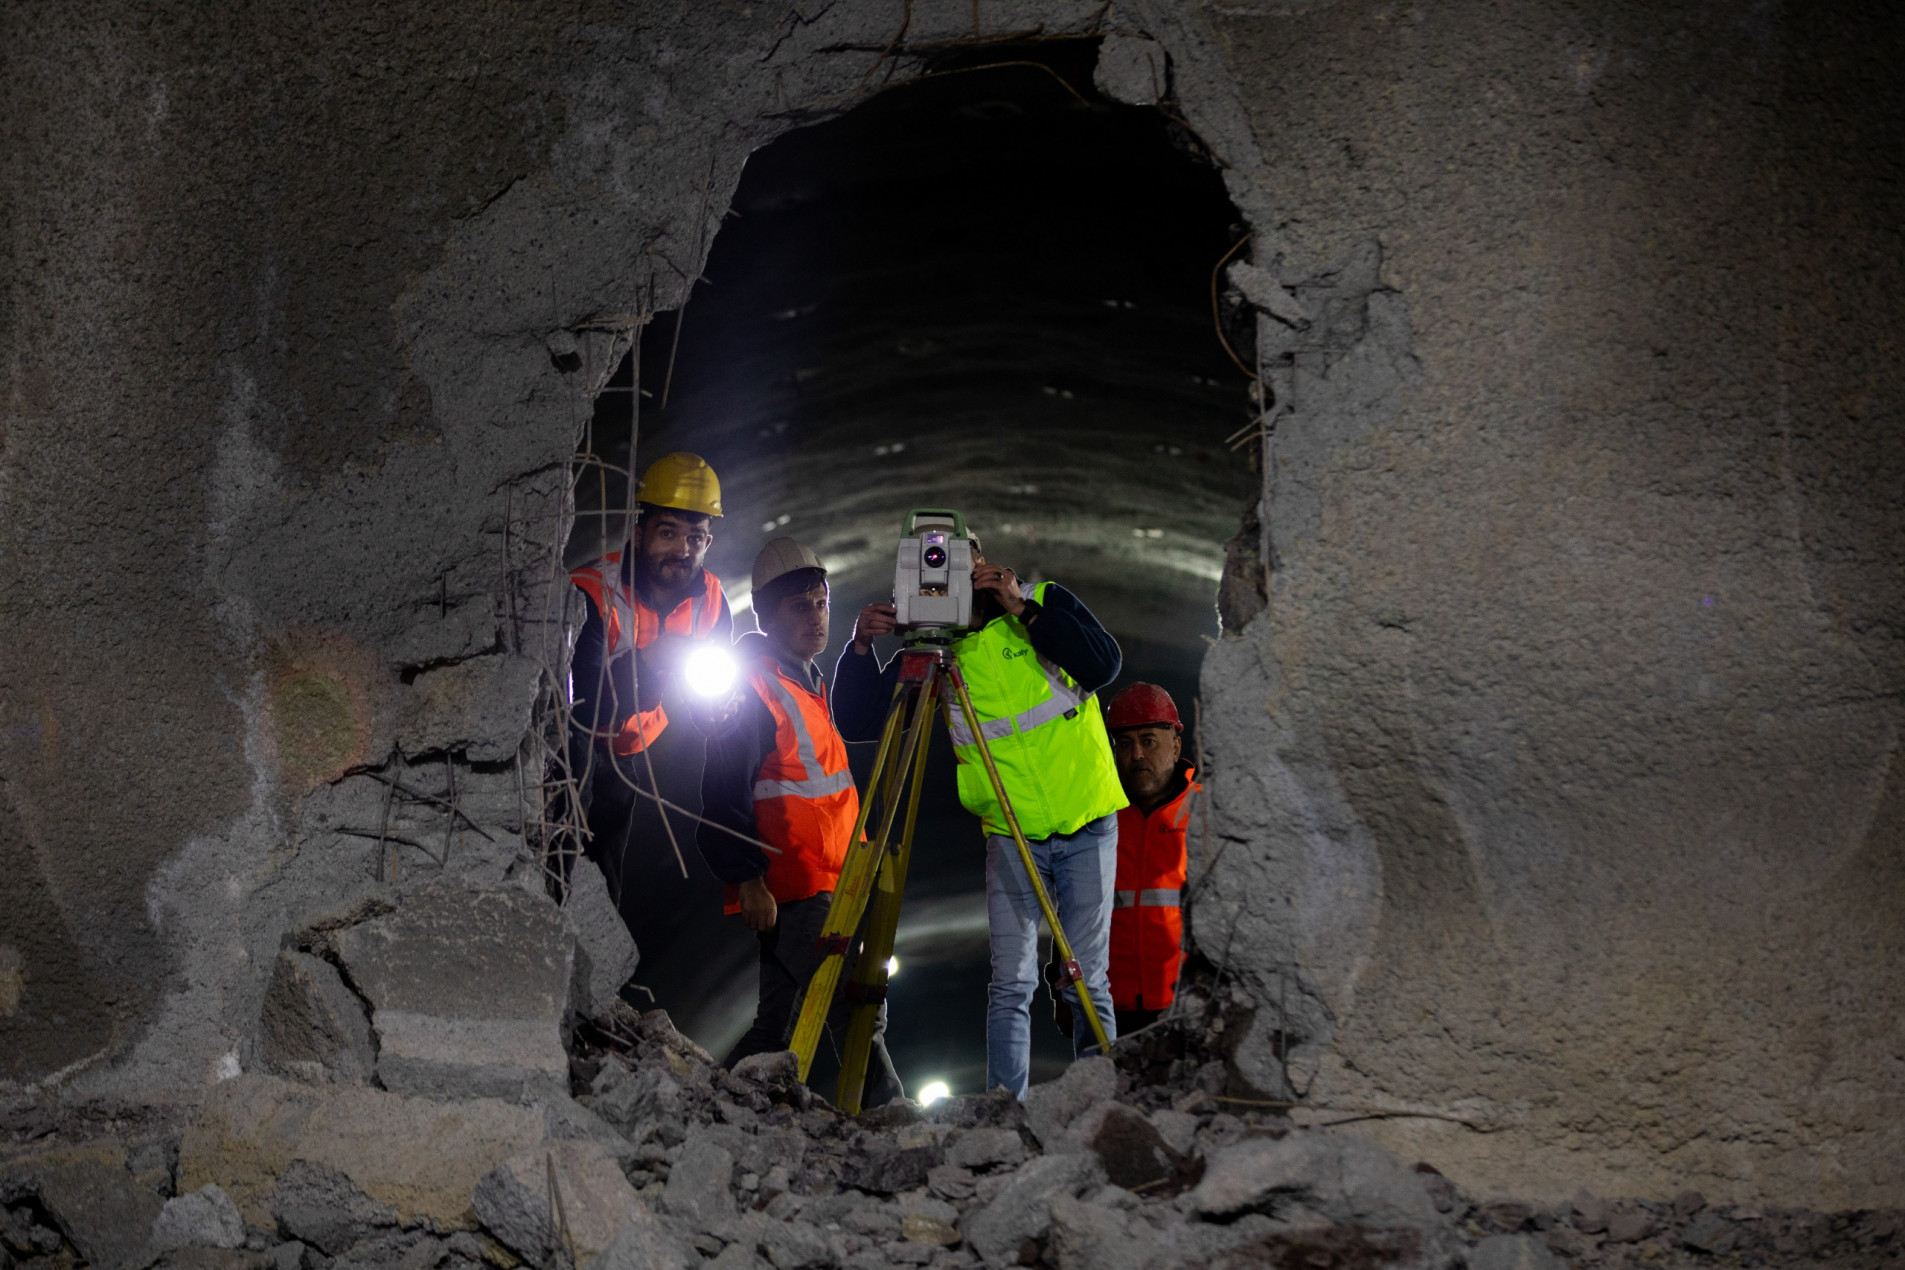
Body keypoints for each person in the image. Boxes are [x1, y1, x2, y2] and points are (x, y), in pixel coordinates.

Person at [834, 537, 1126, 1099]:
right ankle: (1002, 1107)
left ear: (982, 566)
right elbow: (859, 719)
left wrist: (1025, 610)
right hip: (1011, 834)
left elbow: (1103, 663)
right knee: (1010, 984)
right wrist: (859, 648)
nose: (947, 583)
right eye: (932, 573)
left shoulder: (1040, 601)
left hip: (1085, 820)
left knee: (1086, 977)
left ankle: (1101, 1096)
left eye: (957, 568)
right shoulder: (937, 649)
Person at [699, 538, 902, 1102]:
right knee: (848, 1005)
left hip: (834, 880)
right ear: (766, 616)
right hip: (794, 885)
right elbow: (723, 790)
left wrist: (866, 648)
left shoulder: (803, 682)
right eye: (799, 607)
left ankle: (709, 1100)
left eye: (821, 603)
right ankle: (893, 1113)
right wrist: (750, 878)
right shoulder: (753, 687)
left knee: (776, 1023)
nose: (815, 617)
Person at [569, 451, 731, 903]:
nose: (681, 550)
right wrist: (653, 661)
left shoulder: (713, 600)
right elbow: (583, 705)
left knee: (604, 888)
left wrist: (719, 712)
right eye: (667, 533)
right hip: (570, 752)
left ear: (708, 542)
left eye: (694, 538)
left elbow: (708, 698)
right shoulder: (592, 591)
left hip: (626, 755)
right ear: (639, 534)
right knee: (565, 865)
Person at [1100, 682, 1199, 1036]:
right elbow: (1071, 908)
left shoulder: (1204, 812)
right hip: (1109, 1010)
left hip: (1186, 1008)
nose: (1137, 754)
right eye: (1125, 744)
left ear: (1175, 746)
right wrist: (1062, 989)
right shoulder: (1099, 817)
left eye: (1149, 740)